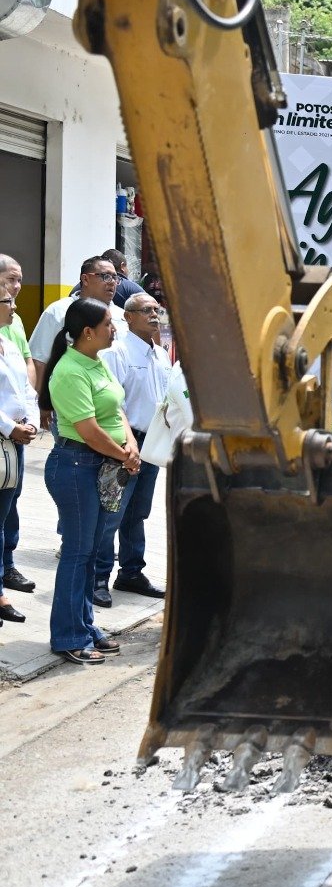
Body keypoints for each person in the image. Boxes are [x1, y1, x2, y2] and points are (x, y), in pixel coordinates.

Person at [40, 299, 139, 665]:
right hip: (76, 465)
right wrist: (122, 453)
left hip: (100, 464)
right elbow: (89, 430)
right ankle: (68, 635)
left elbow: (116, 411)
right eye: (109, 323)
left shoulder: (96, 363)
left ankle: (84, 624)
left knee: (91, 553)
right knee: (78, 553)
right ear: (88, 332)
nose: (114, 329)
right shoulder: (69, 371)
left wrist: (129, 444)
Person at [95, 293, 170, 603]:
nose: (154, 315)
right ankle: (98, 577)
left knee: (137, 513)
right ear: (127, 317)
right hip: (126, 443)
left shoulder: (161, 354)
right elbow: (113, 403)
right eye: (146, 310)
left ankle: (131, 573)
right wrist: (125, 444)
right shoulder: (118, 351)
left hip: (152, 443)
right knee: (112, 512)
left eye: (157, 310)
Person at [0, 288, 38, 627]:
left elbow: (27, 390)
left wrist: (31, 422)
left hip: (14, 444)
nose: (14, 306)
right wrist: (9, 427)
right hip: (5, 438)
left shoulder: (9, 344)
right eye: (8, 302)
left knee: (4, 516)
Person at [29, 257, 126, 380]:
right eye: (105, 276)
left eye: (115, 277)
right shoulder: (58, 311)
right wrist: (43, 397)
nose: (112, 282)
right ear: (85, 279)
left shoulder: (122, 316)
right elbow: (39, 360)